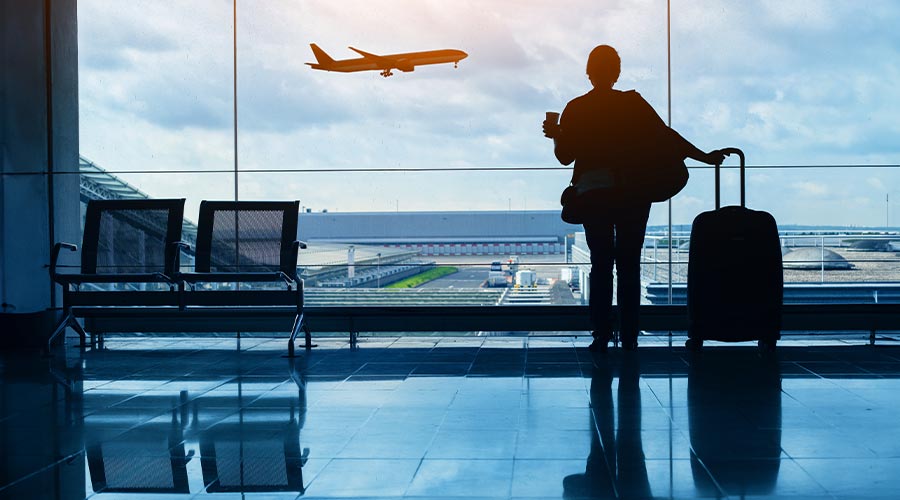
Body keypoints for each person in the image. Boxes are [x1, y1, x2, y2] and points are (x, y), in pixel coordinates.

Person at [544, 45, 724, 352]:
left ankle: (600, 335)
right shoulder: (633, 104)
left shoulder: (576, 108)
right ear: (617, 72)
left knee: (601, 265)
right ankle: (629, 336)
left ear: (589, 72)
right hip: (632, 194)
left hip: (594, 195)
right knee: (629, 265)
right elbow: (666, 136)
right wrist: (703, 157)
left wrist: (557, 133)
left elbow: (564, 157)